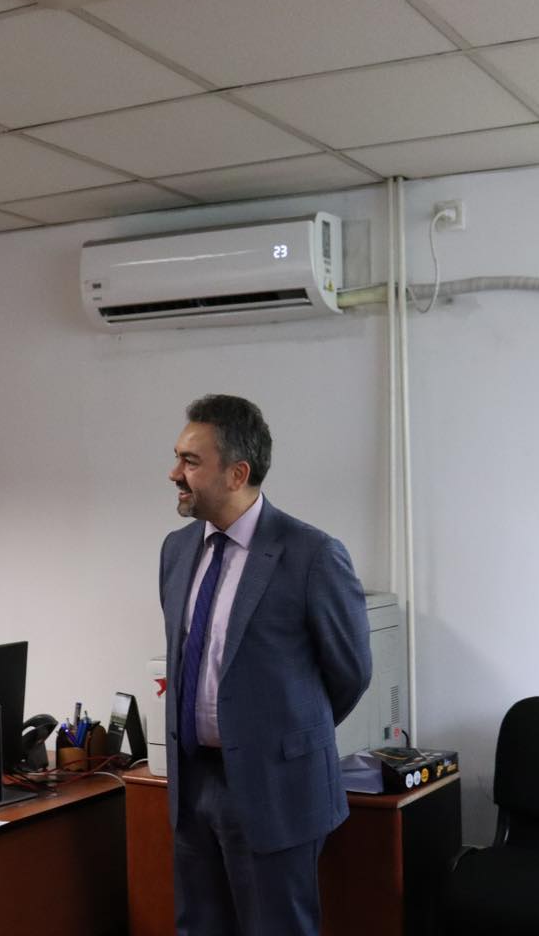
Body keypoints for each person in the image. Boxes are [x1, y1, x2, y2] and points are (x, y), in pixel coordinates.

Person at [159, 394, 371, 936]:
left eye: (190, 461)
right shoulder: (176, 551)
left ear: (237, 473)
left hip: (275, 789)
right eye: (178, 457)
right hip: (193, 784)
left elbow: (350, 674)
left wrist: (280, 736)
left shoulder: (311, 554)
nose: (174, 473)